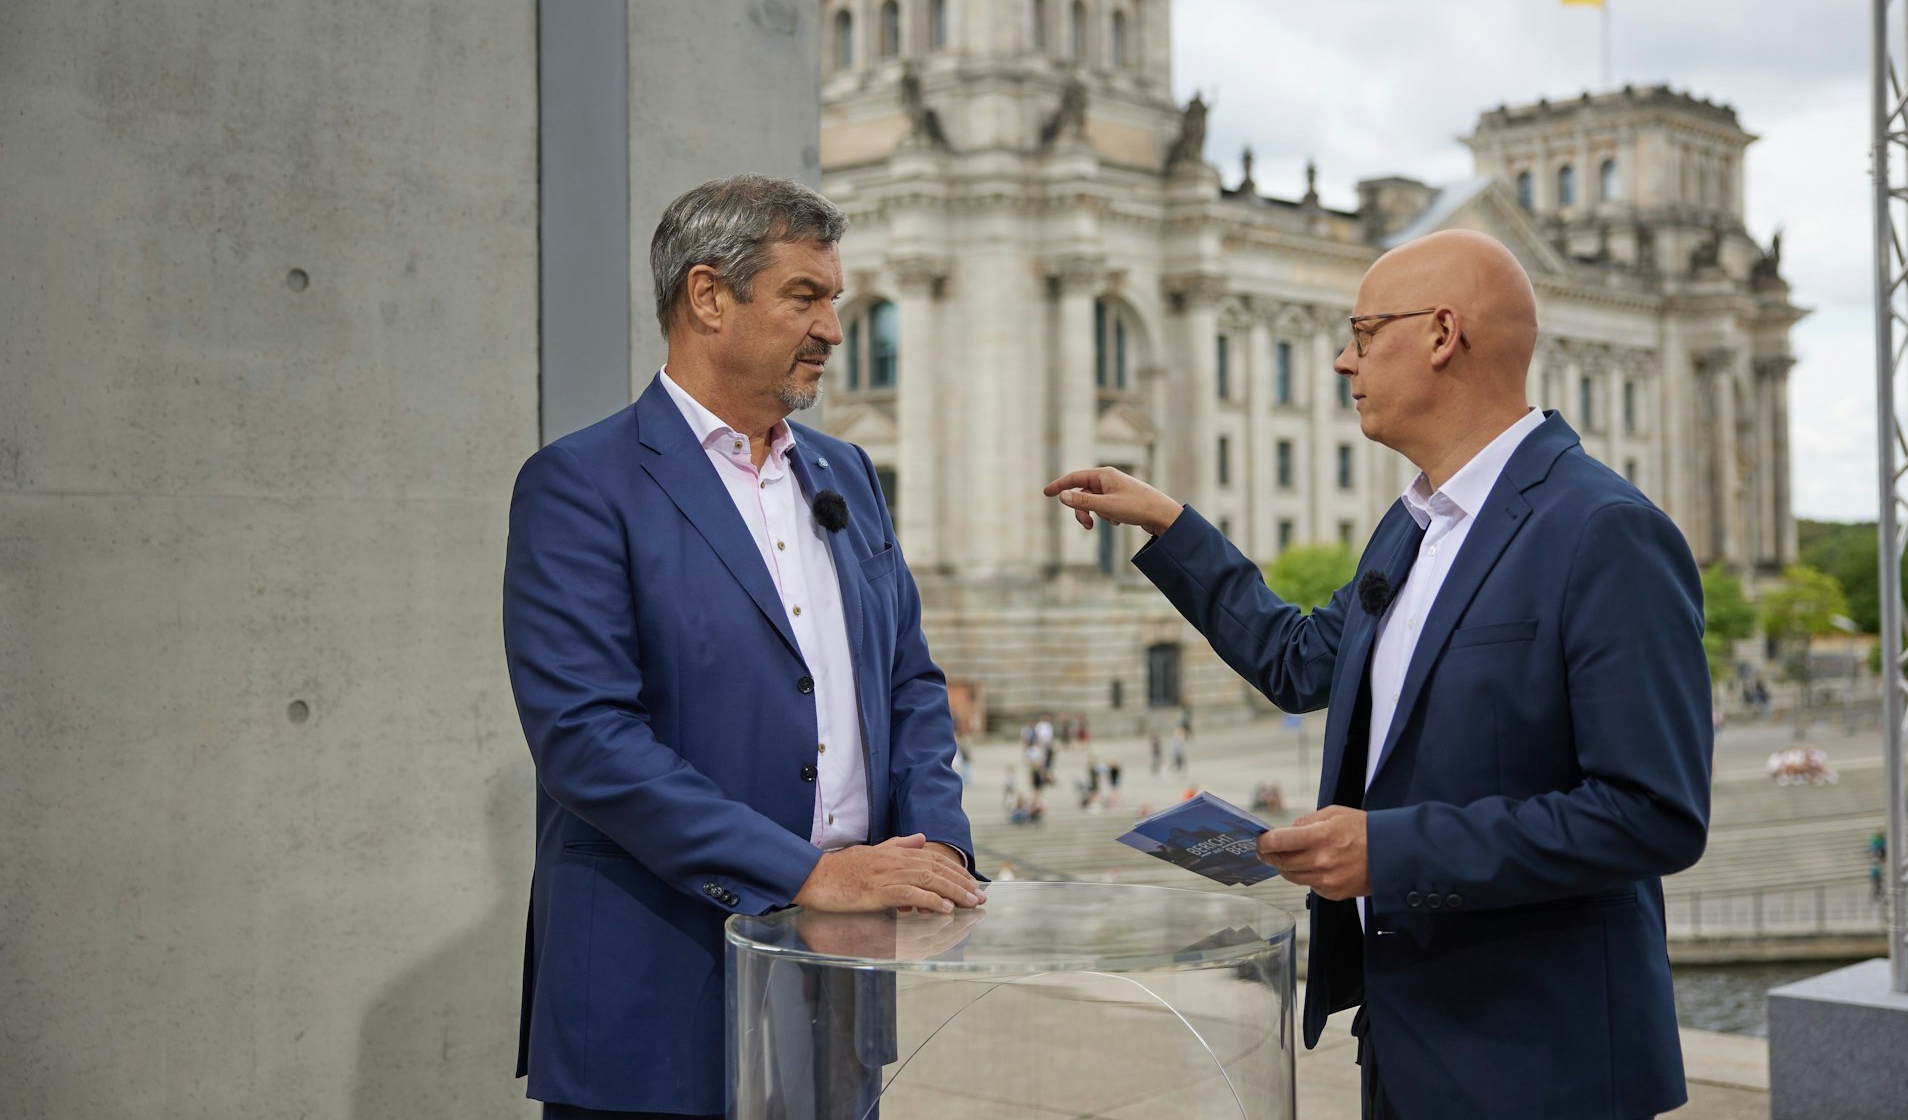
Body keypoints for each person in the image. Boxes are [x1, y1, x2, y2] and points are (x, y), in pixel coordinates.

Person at [1044, 229, 1711, 1117]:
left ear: (1442, 333)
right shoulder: (1413, 524)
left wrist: (1390, 851)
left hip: (1543, 1062)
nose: (1341, 360)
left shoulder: (1605, 529)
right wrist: (1171, 527)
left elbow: (1652, 814)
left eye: (1363, 333)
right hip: (1404, 1043)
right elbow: (1297, 661)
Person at [503, 175, 984, 1120]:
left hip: (837, 993)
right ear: (708, 296)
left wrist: (936, 847)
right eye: (805, 296)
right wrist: (809, 873)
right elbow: (587, 739)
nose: (833, 329)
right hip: (655, 1001)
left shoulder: (848, 472)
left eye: (834, 299)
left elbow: (909, 681)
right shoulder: (581, 484)